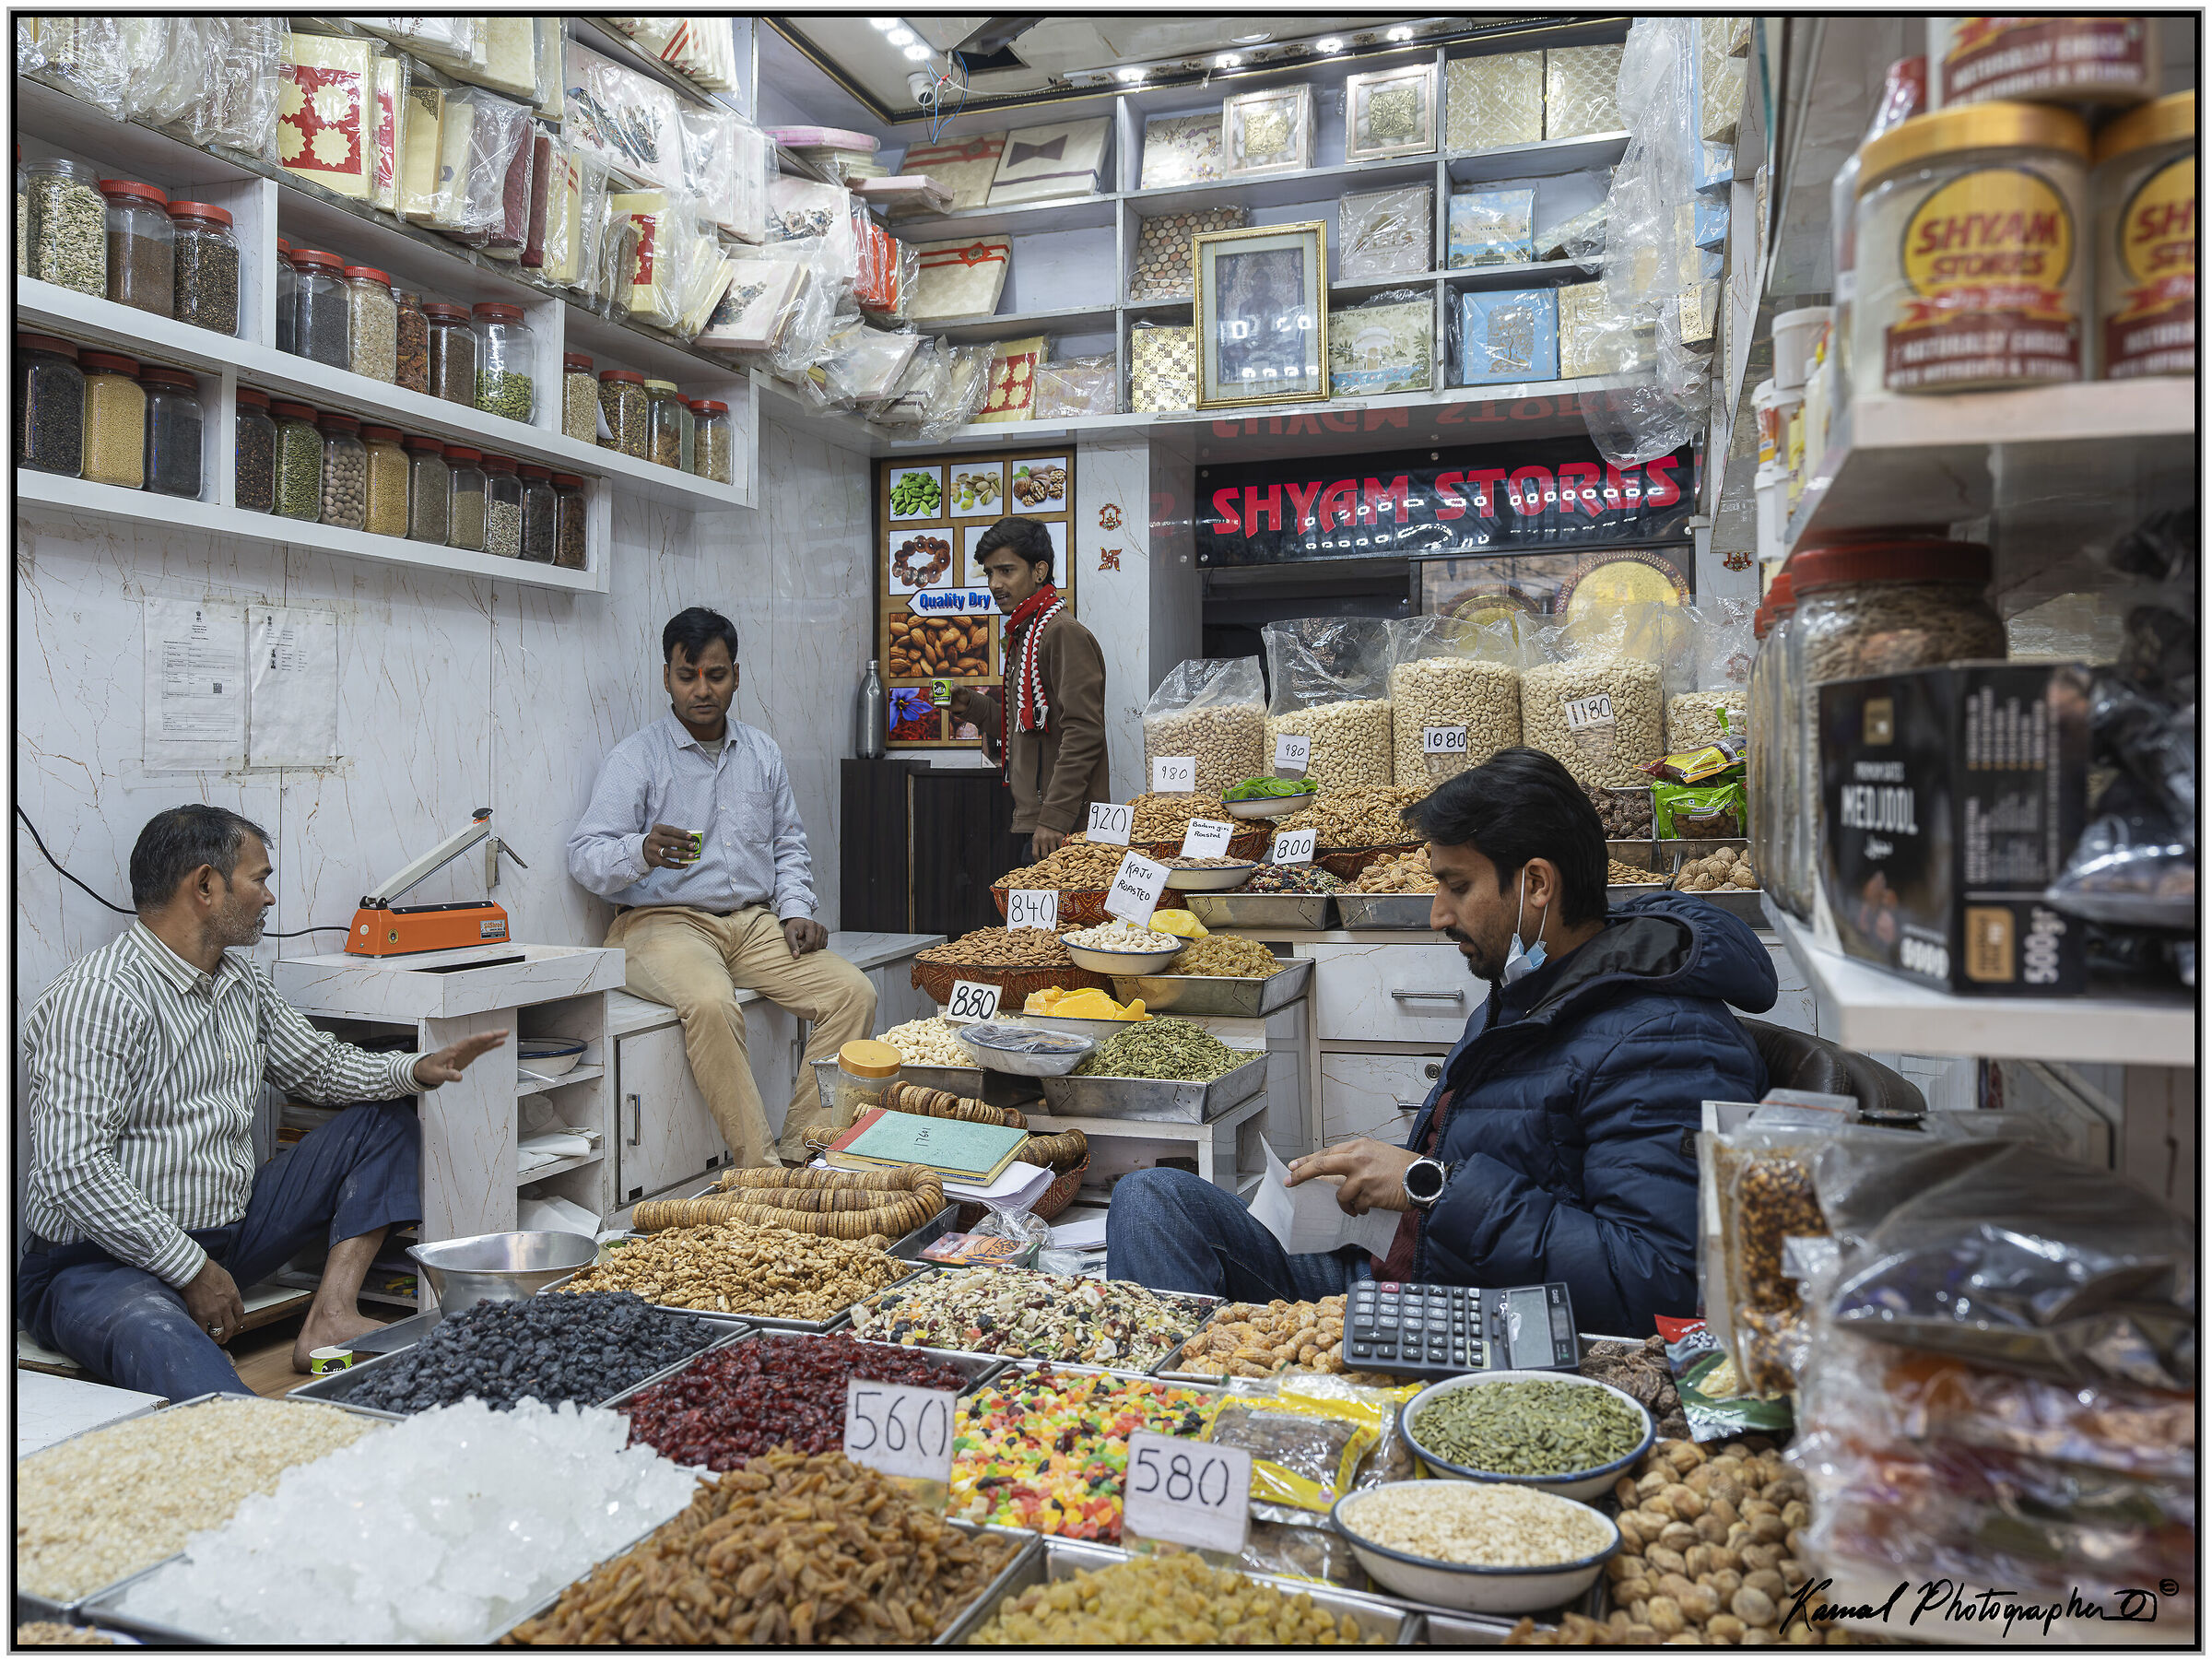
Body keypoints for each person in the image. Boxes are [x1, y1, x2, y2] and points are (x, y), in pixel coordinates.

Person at [1107, 747, 1778, 1335]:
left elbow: (1658, 1281)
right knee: (1152, 1200)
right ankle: (1157, 1411)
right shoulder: (1534, 985)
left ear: (1537, 884)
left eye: (1458, 886)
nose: (1437, 914)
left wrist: (1428, 1185)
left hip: (1475, 1319)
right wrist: (1375, 1186)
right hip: (1399, 1271)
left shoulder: (1667, 1039)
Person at [18, 806, 507, 1399]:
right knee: (160, 1338)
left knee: (384, 1124)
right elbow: (73, 1169)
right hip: (95, 1264)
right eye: (259, 878)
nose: (269, 897)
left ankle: (331, 1317)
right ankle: (257, 1441)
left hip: (226, 1238)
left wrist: (414, 1070)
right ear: (205, 886)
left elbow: (320, 1069)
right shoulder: (99, 998)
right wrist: (189, 1269)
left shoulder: (238, 980)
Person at [568, 607, 876, 1168]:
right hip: (662, 925)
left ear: (736, 675)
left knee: (852, 993)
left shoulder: (761, 752)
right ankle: (763, 1172)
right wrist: (640, 850)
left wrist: (796, 909)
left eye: (715, 675)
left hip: (753, 924)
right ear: (666, 678)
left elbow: (789, 845)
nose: (702, 690)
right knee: (712, 1004)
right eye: (687, 676)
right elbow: (584, 857)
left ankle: (805, 1153)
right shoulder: (636, 758)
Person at [947, 516, 1111, 865]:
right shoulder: (1027, 632)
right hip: (1041, 821)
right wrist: (972, 706)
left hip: (1066, 827)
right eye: (989, 573)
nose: (995, 584)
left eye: (1006, 571)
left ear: (1039, 571)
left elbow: (1084, 731)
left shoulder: (1060, 632)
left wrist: (1054, 817)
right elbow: (1026, 727)